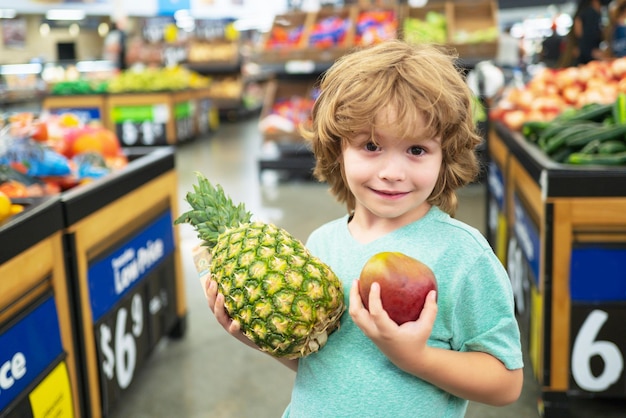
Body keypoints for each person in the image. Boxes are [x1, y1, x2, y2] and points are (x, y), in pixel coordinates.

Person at [202, 39, 524, 417]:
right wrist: (264, 341)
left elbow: (506, 383)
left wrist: (415, 357)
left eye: (417, 150)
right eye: (371, 145)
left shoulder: (462, 255)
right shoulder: (322, 243)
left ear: (446, 155)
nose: (392, 172)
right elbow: (323, 366)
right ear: (337, 149)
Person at [572, 0, 605, 65]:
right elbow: (589, 35)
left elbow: (578, 34)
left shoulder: (581, 13)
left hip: (582, 56)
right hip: (590, 57)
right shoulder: (592, 14)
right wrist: (590, 52)